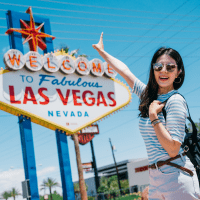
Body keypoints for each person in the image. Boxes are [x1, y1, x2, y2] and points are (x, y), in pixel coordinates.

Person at [92, 33, 200, 200]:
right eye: (159, 66)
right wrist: (102, 53)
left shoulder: (175, 101)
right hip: (155, 177)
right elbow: (125, 71)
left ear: (178, 72)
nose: (163, 71)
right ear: (153, 69)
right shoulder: (148, 96)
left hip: (177, 176)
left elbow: (172, 149)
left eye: (170, 67)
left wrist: (153, 116)